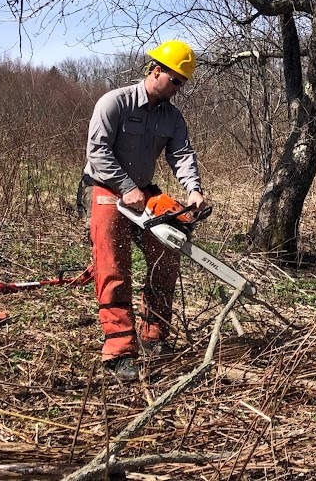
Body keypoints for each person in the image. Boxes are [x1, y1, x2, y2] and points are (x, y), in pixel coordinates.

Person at [82, 40, 206, 382]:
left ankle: (154, 335)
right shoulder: (115, 102)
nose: (179, 88)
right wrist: (126, 188)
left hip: (144, 191)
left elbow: (181, 154)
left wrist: (193, 190)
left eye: (183, 82)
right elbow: (98, 153)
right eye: (176, 80)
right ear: (157, 71)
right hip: (109, 189)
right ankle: (120, 350)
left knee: (167, 255)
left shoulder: (172, 116)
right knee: (113, 265)